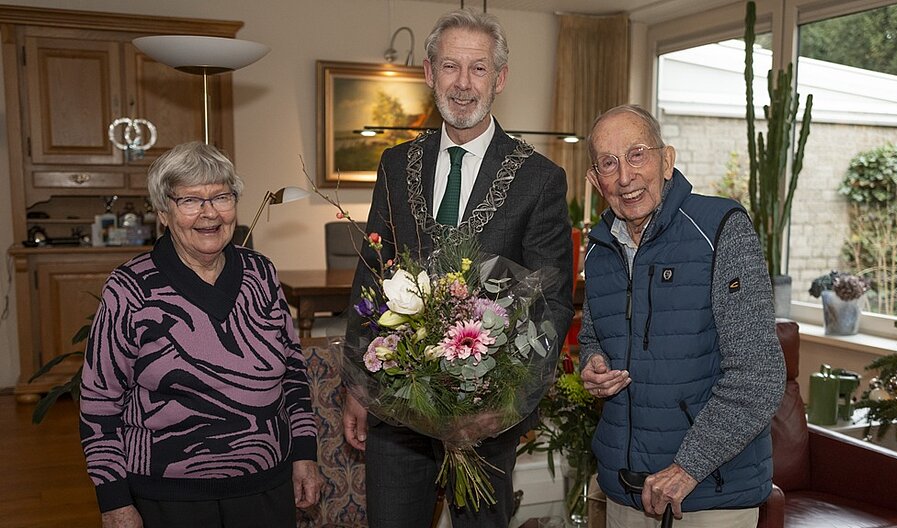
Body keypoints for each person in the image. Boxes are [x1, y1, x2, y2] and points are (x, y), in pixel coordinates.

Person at [341, 9, 574, 528]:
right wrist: (357, 388)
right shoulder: (396, 165)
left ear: (500, 78)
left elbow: (552, 302)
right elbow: (371, 277)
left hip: (488, 413)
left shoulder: (539, 179)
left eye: (478, 69)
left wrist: (513, 406)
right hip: (396, 404)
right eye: (450, 67)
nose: (463, 84)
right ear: (428, 72)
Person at [79, 142, 322, 528]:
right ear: (163, 211)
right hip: (169, 496)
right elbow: (100, 402)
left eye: (221, 197)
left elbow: (292, 371)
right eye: (190, 200)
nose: (209, 213)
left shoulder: (262, 274)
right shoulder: (130, 289)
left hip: (265, 487)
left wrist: (303, 453)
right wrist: (114, 501)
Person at [578, 105, 785, 528]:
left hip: (710, 495)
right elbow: (593, 334)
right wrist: (593, 363)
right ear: (595, 179)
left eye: (637, 155)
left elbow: (759, 375)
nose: (624, 176)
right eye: (608, 163)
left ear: (666, 160)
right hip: (623, 492)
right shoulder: (599, 251)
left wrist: (689, 467)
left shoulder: (721, 227)